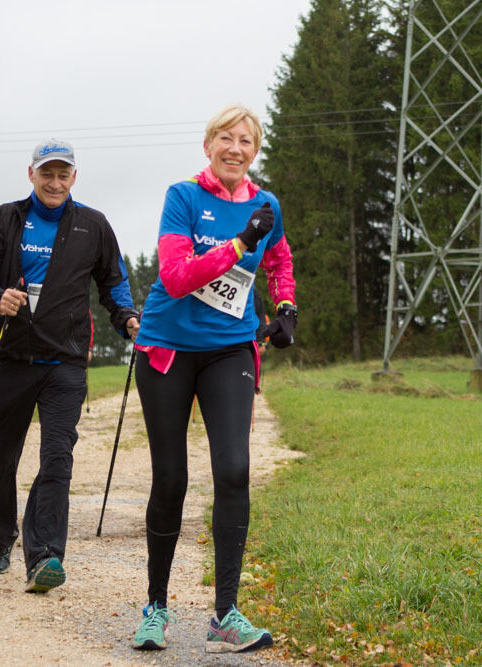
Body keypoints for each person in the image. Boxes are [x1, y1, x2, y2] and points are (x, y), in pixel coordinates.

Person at [130, 104, 297, 653]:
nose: (235, 148)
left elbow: (279, 261)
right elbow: (176, 278)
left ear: (255, 151)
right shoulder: (184, 197)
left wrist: (287, 304)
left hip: (230, 349)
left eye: (246, 140)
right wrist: (239, 244)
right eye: (226, 137)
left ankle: (225, 613)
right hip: (167, 348)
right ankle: (156, 606)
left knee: (233, 469)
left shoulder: (265, 205)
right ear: (208, 146)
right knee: (171, 477)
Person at [0, 139, 139, 593]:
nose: (55, 182)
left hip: (65, 361)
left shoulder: (93, 226)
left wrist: (128, 319)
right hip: (12, 358)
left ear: (74, 178)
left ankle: (45, 556)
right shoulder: (6, 219)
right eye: (47, 173)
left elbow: (113, 281)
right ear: (31, 174)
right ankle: (2, 540)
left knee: (57, 457)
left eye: (64, 174)